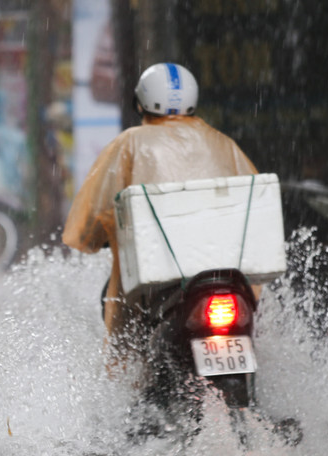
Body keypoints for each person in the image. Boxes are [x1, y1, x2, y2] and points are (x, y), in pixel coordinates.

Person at [62, 63, 257, 368]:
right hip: (226, 274)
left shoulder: (129, 143)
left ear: (140, 102)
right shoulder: (224, 143)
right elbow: (256, 203)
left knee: (127, 338)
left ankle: (133, 388)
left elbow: (99, 208)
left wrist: (90, 237)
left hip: (161, 284)